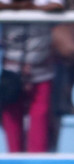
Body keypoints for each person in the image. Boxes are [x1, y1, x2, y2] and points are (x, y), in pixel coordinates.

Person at [1, 0, 63, 154]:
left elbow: (57, 7)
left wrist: (25, 8)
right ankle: (15, 163)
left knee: (40, 121)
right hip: (11, 71)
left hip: (41, 68)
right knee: (11, 119)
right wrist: (25, 7)